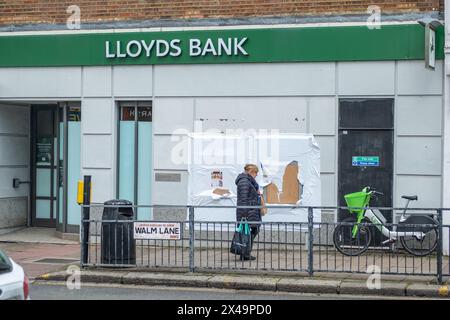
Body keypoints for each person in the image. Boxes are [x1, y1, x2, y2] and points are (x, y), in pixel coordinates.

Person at [235, 163, 263, 261]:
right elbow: (243, 199)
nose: (256, 175)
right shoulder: (244, 181)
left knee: (252, 231)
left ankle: (245, 253)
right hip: (247, 212)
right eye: (256, 173)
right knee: (249, 232)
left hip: (251, 211)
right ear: (251, 172)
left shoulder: (248, 181)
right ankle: (245, 254)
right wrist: (244, 215)